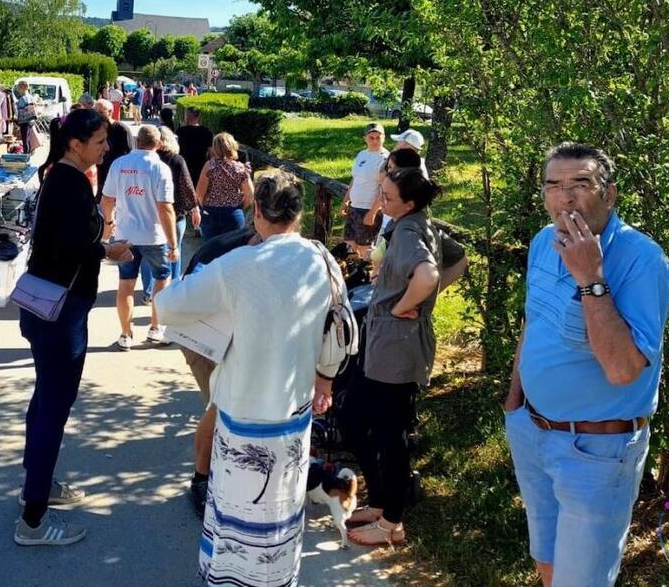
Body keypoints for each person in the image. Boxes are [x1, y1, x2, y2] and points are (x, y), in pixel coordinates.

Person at [156, 171, 343, 586]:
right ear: (298, 212)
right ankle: (279, 577)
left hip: (242, 409)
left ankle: (232, 578)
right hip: (293, 408)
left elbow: (168, 305)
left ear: (256, 210)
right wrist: (325, 380)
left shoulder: (235, 265)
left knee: (239, 506)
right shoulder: (321, 259)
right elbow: (340, 330)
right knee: (281, 503)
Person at [503, 143, 669, 587]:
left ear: (609, 194)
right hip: (532, 431)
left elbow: (622, 370)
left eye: (580, 184)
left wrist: (591, 278)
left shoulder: (643, 260)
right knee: (546, 561)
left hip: (597, 453)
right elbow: (533, 321)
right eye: (553, 186)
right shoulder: (543, 241)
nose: (565, 197)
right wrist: (514, 402)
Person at [15, 109, 133, 547]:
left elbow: (66, 242)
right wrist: (107, 250)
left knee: (46, 399)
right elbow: (69, 247)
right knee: (54, 407)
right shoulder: (68, 181)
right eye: (99, 142)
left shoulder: (62, 177)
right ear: (75, 144)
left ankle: (38, 485)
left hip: (53, 306)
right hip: (59, 310)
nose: (106, 149)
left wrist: (100, 246)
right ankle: (33, 520)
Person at [343, 167, 468, 546]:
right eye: (382, 192)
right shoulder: (418, 223)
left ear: (409, 203)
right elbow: (459, 259)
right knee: (353, 420)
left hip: (397, 346)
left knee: (390, 434)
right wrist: (421, 301)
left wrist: (406, 305)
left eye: (388, 197)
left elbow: (428, 274)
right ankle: (381, 502)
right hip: (384, 343)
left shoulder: (411, 231)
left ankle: (392, 523)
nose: (381, 201)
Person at [178, 222, 259, 517]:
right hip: (200, 333)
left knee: (232, 405)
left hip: (214, 328)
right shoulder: (246, 251)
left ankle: (228, 475)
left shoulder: (248, 241)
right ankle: (201, 481)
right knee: (220, 406)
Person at [100, 124, 178, 350]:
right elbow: (165, 208)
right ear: (159, 144)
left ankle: (126, 334)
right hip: (154, 236)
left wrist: (109, 222)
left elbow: (107, 199)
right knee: (162, 278)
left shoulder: (119, 164)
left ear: (137, 141)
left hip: (125, 234)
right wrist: (173, 244)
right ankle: (156, 328)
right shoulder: (160, 168)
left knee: (126, 283)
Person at [153, 127, 200, 281]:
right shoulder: (177, 160)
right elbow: (187, 186)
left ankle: (151, 288)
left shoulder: (151, 159)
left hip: (153, 212)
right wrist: (194, 208)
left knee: (154, 252)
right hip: (175, 212)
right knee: (175, 248)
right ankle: (174, 283)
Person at [195, 132, 253, 241]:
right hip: (233, 214)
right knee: (233, 249)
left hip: (211, 213)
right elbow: (250, 194)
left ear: (215, 148)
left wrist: (207, 206)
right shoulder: (240, 168)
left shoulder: (209, 166)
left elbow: (199, 192)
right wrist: (239, 207)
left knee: (211, 248)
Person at [342, 122, 389, 255]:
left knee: (365, 250)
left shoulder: (386, 159)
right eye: (371, 138)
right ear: (365, 139)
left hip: (369, 209)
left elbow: (385, 188)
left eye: (378, 137)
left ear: (384, 138)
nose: (374, 141)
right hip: (354, 208)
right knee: (349, 247)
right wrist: (346, 200)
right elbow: (355, 179)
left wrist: (373, 212)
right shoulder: (362, 154)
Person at [93, 99, 132, 202]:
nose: (97, 115)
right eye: (95, 111)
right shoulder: (94, 129)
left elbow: (129, 153)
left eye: (101, 112)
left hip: (115, 175)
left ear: (110, 112)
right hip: (98, 174)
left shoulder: (121, 129)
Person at [177, 107, 213, 190]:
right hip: (201, 165)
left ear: (187, 116)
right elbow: (211, 151)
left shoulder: (180, 131)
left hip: (184, 165)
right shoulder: (206, 131)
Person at [14, 81, 37, 152]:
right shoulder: (30, 97)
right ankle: (29, 152)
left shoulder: (23, 98)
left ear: (23, 88)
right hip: (31, 119)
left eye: (19, 88)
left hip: (24, 120)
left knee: (25, 139)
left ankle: (26, 154)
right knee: (28, 138)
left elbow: (21, 110)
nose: (18, 90)